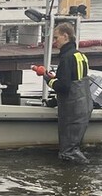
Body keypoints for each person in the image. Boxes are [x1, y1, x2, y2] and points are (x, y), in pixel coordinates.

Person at [36, 22, 92, 163]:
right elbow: (75, 81)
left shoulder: (66, 58)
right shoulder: (81, 56)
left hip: (72, 110)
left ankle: (72, 178)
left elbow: (64, 87)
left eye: (56, 38)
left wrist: (47, 78)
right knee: (74, 147)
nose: (55, 42)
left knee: (67, 151)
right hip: (84, 106)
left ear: (65, 36)